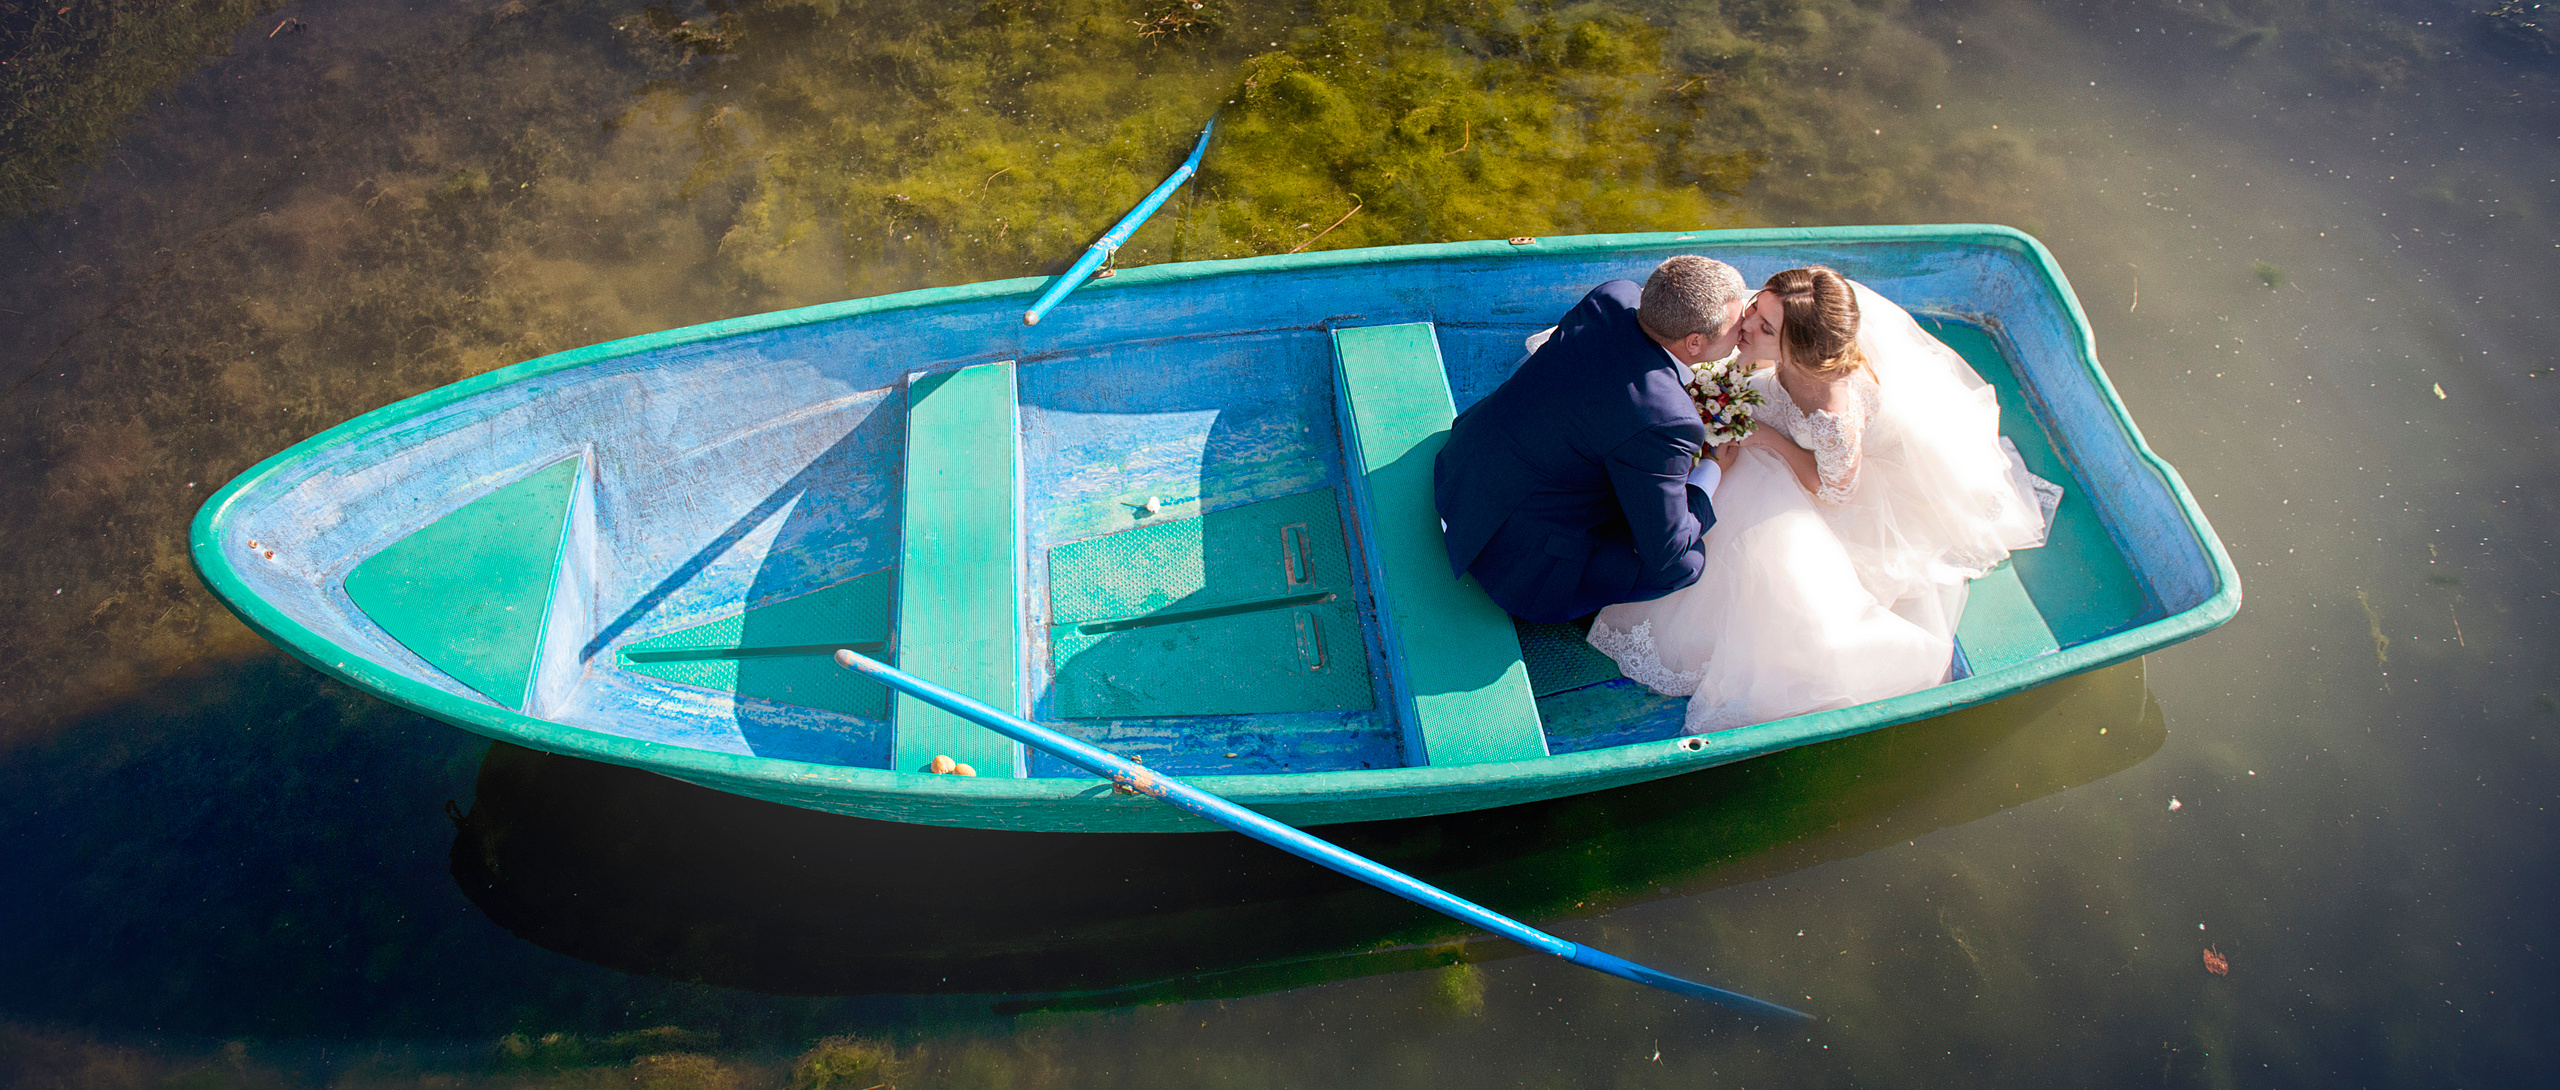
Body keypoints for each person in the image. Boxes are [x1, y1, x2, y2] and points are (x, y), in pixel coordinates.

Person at [1586, 266, 2060, 733]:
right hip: (1775, 431)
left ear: (1797, 350)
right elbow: (1745, 369)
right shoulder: (1773, 338)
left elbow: (1837, 490)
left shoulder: (1832, 410)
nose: (1745, 325)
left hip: (1843, 479)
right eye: (1754, 308)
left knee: (1757, 508)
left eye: (1764, 326)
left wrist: (1767, 437)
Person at [1433, 256, 1755, 623]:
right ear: (1694, 342)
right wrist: (1709, 471)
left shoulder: (1612, 297)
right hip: (1509, 560)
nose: (1744, 325)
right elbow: (1663, 549)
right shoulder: (1666, 420)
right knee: (1686, 562)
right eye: (1737, 321)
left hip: (1460, 469)